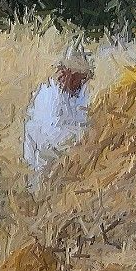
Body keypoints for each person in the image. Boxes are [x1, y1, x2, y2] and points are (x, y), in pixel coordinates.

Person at [23, 50, 94, 189]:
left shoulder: (79, 96)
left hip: (68, 169)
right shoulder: (48, 96)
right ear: (65, 73)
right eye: (77, 77)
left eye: (82, 78)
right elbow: (51, 137)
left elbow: (85, 121)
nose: (80, 82)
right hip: (43, 167)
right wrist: (83, 137)